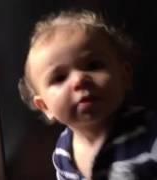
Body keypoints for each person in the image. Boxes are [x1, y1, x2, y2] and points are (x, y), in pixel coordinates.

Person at [18, 10, 157, 180]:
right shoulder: (62, 153)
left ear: (124, 76)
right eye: (60, 78)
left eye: (93, 65)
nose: (79, 80)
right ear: (45, 106)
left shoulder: (150, 133)